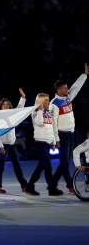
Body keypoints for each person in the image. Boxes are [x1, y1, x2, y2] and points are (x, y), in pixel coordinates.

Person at [50, 63, 89, 194]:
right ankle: (69, 185)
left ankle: (52, 183)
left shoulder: (68, 98)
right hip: (62, 136)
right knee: (65, 163)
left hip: (70, 134)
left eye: (67, 88)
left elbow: (76, 87)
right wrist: (56, 140)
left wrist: (84, 75)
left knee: (65, 161)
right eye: (65, 88)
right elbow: (53, 124)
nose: (68, 90)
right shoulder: (54, 104)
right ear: (58, 90)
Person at [25, 93, 63, 196]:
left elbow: (51, 127)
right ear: (41, 101)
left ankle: (29, 186)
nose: (48, 102)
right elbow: (40, 122)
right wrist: (41, 110)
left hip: (47, 142)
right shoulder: (36, 111)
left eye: (48, 100)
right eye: (46, 100)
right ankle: (52, 188)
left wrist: (53, 142)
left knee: (41, 167)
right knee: (48, 167)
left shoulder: (48, 111)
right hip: (40, 142)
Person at [0, 88, 28, 193]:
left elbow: (19, 109)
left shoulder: (13, 116)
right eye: (4, 104)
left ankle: (24, 185)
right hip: (3, 145)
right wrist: (0, 146)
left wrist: (23, 98)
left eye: (7, 104)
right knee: (1, 166)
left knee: (17, 166)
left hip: (12, 145)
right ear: (0, 106)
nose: (6, 106)